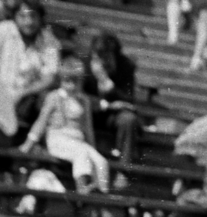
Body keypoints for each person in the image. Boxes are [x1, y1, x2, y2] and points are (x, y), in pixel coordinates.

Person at [21, 52, 106, 190]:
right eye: (67, 81)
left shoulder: (84, 101)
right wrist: (28, 144)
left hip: (78, 141)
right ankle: (82, 188)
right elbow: (41, 122)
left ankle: (102, 193)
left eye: (76, 82)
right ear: (61, 81)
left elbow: (88, 128)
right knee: (81, 154)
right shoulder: (54, 97)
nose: (72, 86)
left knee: (100, 161)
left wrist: (93, 148)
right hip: (58, 139)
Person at [0, 2, 59, 144]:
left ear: (40, 18)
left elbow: (50, 77)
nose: (29, 22)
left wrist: (22, 93)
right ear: (15, 17)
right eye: (23, 16)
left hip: (26, 99)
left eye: (33, 16)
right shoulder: (4, 30)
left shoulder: (49, 41)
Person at [87, 31, 139, 170]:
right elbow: (80, 95)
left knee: (129, 119)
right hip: (90, 111)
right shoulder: (85, 64)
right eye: (100, 57)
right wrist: (106, 105)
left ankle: (124, 168)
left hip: (114, 116)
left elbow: (129, 99)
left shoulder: (125, 66)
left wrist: (110, 87)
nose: (103, 62)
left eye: (107, 56)